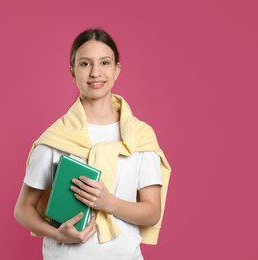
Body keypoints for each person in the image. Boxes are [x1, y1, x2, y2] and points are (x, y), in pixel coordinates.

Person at [14, 28, 171, 260]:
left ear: (117, 69)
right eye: (85, 64)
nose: (95, 72)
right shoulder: (56, 138)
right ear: (72, 71)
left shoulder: (139, 136)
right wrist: (57, 234)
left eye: (105, 63)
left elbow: (152, 212)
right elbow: (23, 209)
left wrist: (108, 202)